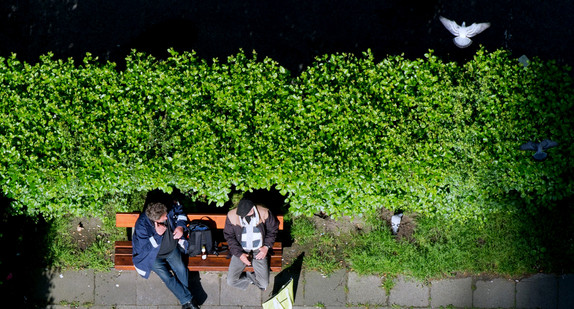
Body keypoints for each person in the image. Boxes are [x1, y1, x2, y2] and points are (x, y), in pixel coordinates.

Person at [132, 201, 199, 309]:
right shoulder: (142, 226)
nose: (167, 218)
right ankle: (188, 300)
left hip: (172, 250)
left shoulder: (165, 208)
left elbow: (179, 210)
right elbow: (145, 249)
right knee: (166, 276)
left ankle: (186, 300)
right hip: (154, 257)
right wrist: (157, 235)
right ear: (156, 220)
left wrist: (180, 227)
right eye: (164, 217)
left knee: (181, 269)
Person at [223, 198, 279, 291]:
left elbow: (273, 230)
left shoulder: (264, 213)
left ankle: (252, 276)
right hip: (241, 249)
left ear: (252, 209)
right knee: (231, 281)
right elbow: (229, 236)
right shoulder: (232, 215)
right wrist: (240, 255)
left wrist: (266, 247)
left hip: (259, 249)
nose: (243, 217)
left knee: (264, 284)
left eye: (246, 214)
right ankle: (250, 279)